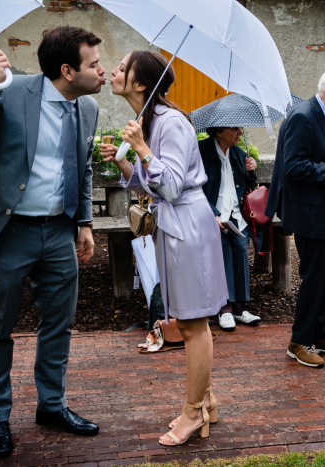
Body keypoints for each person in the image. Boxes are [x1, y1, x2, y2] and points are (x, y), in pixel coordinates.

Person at [0, 26, 105, 457]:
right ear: (68, 70)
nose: (103, 71)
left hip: (58, 232)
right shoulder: (12, 92)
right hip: (7, 231)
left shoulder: (88, 108)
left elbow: (84, 169)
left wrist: (85, 223)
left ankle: (51, 406)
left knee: (59, 323)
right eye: (94, 64)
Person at [100, 50, 227, 446]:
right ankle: (208, 401)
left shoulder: (170, 123)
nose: (114, 71)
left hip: (186, 226)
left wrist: (141, 149)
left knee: (192, 323)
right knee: (189, 320)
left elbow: (171, 186)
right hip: (174, 225)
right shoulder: (147, 121)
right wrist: (125, 163)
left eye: (122, 68)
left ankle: (192, 414)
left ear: (141, 83)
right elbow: (147, 184)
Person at [265, 65, 325, 368]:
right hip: (309, 212)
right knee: (313, 277)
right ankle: (299, 341)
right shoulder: (304, 116)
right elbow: (295, 168)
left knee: (324, 275)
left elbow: (320, 161)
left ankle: (319, 334)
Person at [199, 127, 262, 331]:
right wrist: (213, 212)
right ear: (218, 132)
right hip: (212, 215)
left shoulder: (239, 153)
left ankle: (240, 308)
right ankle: (224, 309)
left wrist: (251, 171)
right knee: (223, 253)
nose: (240, 133)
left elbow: (249, 188)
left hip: (236, 216)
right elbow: (196, 188)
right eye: (234, 129)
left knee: (241, 251)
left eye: (241, 128)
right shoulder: (201, 151)